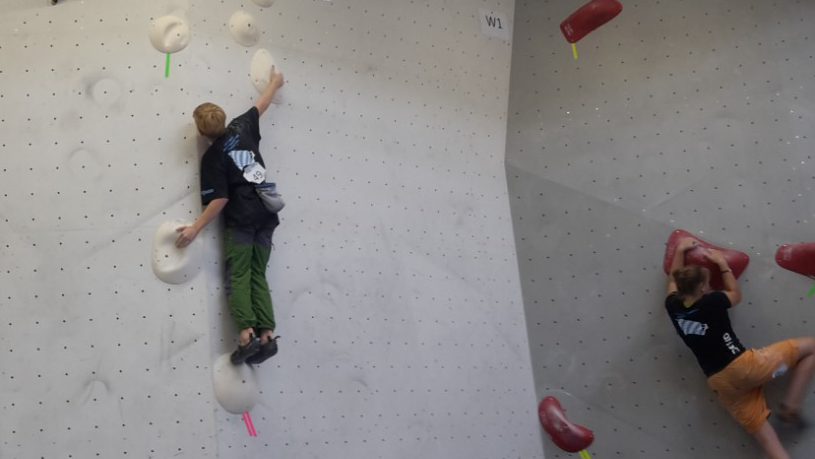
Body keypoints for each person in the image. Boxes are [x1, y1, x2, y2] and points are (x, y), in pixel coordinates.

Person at [665, 237, 815, 459]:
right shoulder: (713, 301)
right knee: (812, 348)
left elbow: (671, 280)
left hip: (722, 384)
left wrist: (679, 251)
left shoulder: (673, 306)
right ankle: (790, 408)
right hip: (746, 366)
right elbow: (736, 295)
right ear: (703, 288)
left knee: (769, 443)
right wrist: (722, 265)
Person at [176, 68, 285, 365]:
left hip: (242, 219)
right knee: (257, 274)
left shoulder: (213, 158)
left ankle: (247, 337)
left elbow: (220, 199)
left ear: (201, 133)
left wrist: (195, 229)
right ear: (223, 119)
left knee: (238, 275)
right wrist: (275, 83)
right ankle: (267, 335)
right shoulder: (240, 126)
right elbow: (260, 106)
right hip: (267, 213)